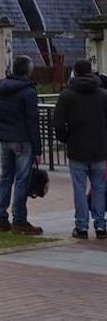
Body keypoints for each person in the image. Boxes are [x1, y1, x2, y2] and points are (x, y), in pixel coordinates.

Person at [0, 56, 44, 235]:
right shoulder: (28, 91)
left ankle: (0, 219)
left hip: (5, 139)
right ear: (28, 70)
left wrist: (2, 130)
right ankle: (19, 220)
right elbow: (32, 122)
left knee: (5, 178)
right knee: (21, 180)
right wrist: (37, 148)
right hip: (23, 141)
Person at [52, 58, 107, 239]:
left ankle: (81, 226)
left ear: (75, 72)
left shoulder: (67, 95)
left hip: (77, 148)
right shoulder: (102, 94)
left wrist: (66, 139)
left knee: (79, 188)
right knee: (99, 187)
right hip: (99, 148)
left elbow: (58, 123)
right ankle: (100, 225)